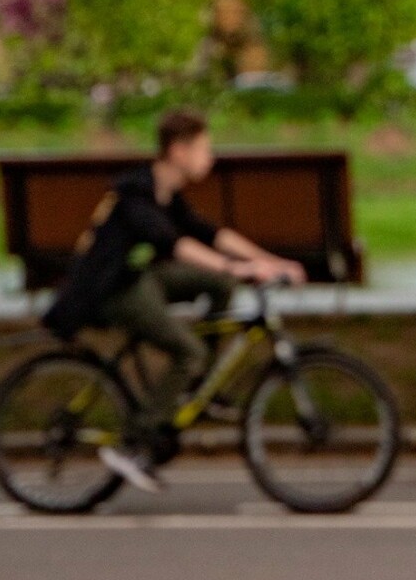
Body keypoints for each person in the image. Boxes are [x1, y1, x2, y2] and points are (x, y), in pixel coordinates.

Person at [43, 107, 307, 491]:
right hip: (110, 290)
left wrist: (270, 262)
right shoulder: (136, 193)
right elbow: (176, 244)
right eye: (204, 148)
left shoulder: (167, 192)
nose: (210, 158)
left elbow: (211, 233)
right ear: (179, 151)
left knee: (218, 285)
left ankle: (199, 386)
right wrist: (236, 268)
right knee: (189, 350)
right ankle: (137, 442)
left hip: (138, 279)